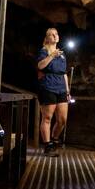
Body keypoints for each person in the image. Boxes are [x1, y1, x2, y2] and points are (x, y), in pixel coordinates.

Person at [36, 27, 70, 157]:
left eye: (56, 34)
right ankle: (47, 145)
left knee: (62, 119)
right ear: (47, 38)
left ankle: (55, 139)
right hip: (48, 86)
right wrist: (51, 55)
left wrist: (67, 90)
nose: (55, 36)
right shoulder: (44, 51)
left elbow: (64, 73)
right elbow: (40, 66)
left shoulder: (62, 55)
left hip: (61, 87)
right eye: (52, 34)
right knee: (47, 117)